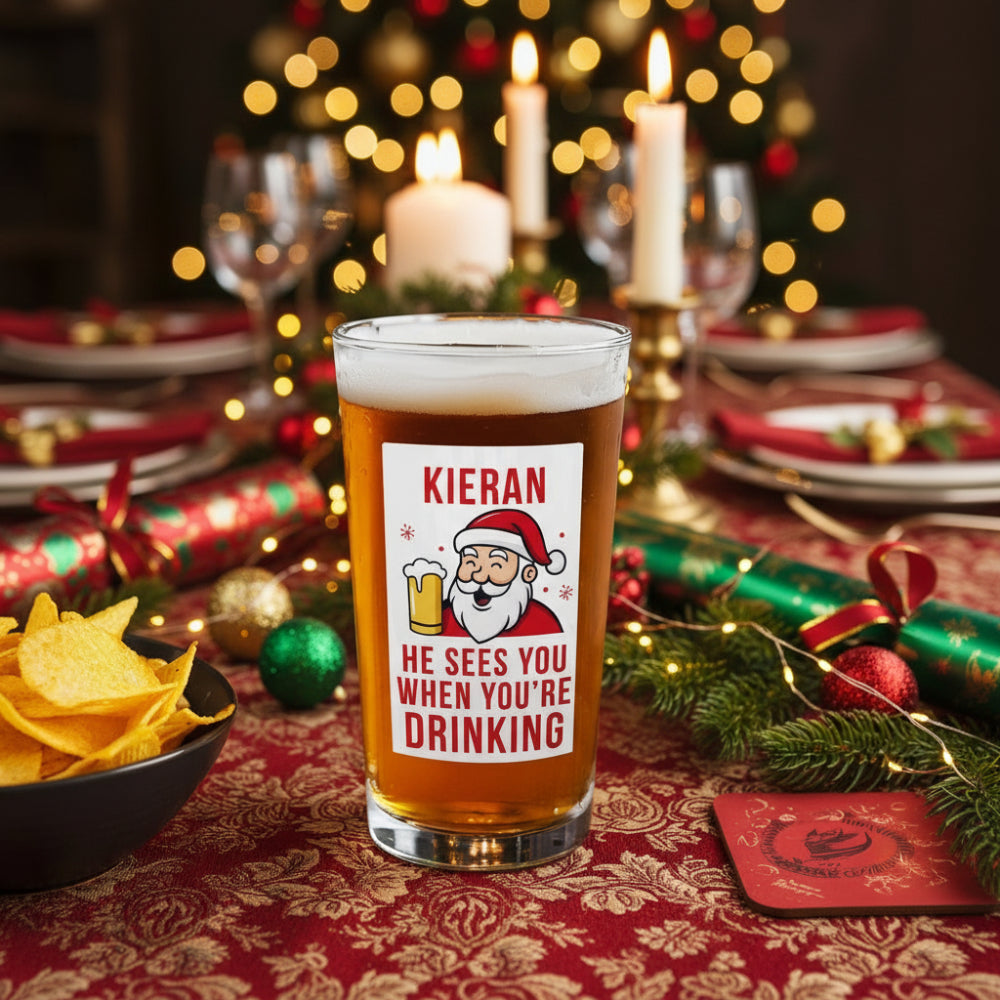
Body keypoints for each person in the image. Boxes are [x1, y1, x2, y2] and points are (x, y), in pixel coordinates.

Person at [440, 508, 566, 643]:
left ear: (528, 573)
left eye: (496, 565)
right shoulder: (441, 618)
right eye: (471, 562)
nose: (479, 577)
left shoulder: (544, 624)